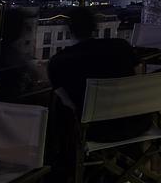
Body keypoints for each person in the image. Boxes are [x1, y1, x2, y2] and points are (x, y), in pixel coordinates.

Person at [48, 7, 151, 142]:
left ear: (70, 30)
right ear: (95, 27)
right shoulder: (121, 46)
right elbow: (139, 79)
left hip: (95, 131)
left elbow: (68, 103)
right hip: (137, 123)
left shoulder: (58, 61)